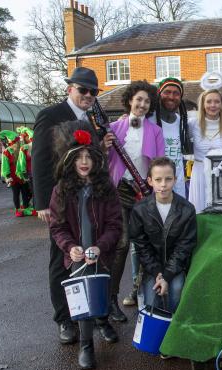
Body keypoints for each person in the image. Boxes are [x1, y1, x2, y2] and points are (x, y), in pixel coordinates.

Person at [32, 66, 114, 345]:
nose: (89, 95)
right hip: (60, 198)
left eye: (93, 91)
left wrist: (101, 146)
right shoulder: (50, 115)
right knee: (60, 259)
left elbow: (88, 160)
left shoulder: (90, 122)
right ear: (70, 89)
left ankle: (91, 313)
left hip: (88, 198)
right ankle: (64, 319)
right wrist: (42, 202)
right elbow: (41, 160)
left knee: (88, 254)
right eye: (83, 89)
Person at [49, 121, 122, 370]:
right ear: (70, 160)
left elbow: (115, 224)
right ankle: (86, 344)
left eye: (88, 156)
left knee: (101, 289)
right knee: (82, 298)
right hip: (77, 255)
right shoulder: (61, 189)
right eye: (78, 157)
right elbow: (57, 227)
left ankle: (103, 321)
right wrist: (69, 247)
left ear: (96, 159)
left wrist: (101, 246)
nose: (84, 162)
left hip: (101, 252)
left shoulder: (106, 187)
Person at [108, 80, 165, 321]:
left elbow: (160, 163)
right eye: (138, 99)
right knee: (121, 245)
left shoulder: (155, 131)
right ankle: (111, 300)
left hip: (144, 192)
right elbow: (103, 159)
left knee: (144, 246)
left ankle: (139, 290)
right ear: (130, 100)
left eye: (146, 101)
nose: (142, 104)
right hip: (119, 191)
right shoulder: (113, 127)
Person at [129, 157, 197, 314]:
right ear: (150, 181)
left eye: (168, 179)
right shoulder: (140, 210)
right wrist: (157, 273)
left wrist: (167, 275)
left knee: (176, 290)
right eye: (158, 179)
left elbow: (185, 247)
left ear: (175, 179)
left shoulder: (187, 209)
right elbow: (141, 246)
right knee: (151, 304)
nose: (163, 184)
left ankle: (174, 331)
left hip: (176, 267)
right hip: (151, 267)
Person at [188, 89, 222, 213]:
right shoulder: (192, 124)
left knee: (220, 213)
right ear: (203, 104)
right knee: (199, 210)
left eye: (216, 102)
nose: (213, 105)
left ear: (221, 105)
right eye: (209, 101)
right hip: (199, 172)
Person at [0, 130, 33, 217]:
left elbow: (23, 162)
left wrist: (24, 173)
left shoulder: (22, 148)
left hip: (21, 175)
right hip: (13, 177)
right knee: (16, 193)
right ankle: (17, 209)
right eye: (17, 141)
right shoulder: (7, 152)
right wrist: (7, 176)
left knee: (25, 192)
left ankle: (25, 207)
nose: (19, 142)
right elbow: (5, 166)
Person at [16, 127, 37, 215]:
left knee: (33, 191)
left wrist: (22, 173)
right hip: (35, 173)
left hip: (31, 173)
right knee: (34, 191)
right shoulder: (36, 145)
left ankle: (36, 207)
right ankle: (36, 206)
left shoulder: (24, 148)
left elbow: (21, 163)